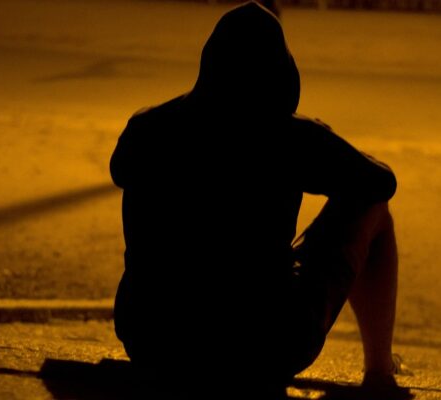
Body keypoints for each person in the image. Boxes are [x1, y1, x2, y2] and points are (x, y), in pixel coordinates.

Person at [110, 2, 408, 398]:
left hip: (151, 340)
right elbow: (381, 182)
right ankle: (380, 372)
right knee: (374, 210)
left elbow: (120, 170)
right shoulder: (291, 138)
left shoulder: (147, 128)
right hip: (264, 347)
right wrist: (318, 143)